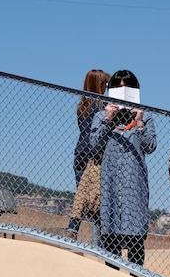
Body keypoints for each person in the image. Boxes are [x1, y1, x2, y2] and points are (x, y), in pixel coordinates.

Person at [90, 70, 157, 267]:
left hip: (133, 186)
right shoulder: (101, 116)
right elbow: (94, 146)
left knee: (136, 241)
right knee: (111, 240)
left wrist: (139, 123)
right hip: (110, 184)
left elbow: (150, 146)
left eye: (126, 87)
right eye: (117, 87)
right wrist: (108, 120)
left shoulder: (145, 117)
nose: (122, 91)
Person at [67, 69, 110, 238]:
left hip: (80, 153)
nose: (107, 87)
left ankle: (73, 229)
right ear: (99, 85)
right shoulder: (104, 106)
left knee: (82, 195)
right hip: (95, 156)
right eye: (105, 84)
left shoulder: (82, 106)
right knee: (97, 200)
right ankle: (98, 239)